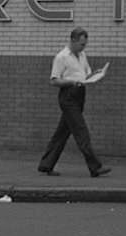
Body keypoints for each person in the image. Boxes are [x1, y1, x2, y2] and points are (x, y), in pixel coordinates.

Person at [38, 27, 112, 177]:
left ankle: (46, 165)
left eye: (85, 44)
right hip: (68, 96)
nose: (83, 47)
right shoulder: (61, 57)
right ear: (73, 40)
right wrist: (70, 82)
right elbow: (54, 80)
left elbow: (85, 74)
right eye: (81, 44)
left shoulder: (82, 55)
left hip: (80, 94)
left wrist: (97, 74)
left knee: (62, 133)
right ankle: (95, 166)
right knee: (80, 130)